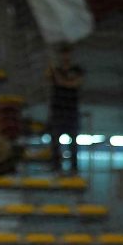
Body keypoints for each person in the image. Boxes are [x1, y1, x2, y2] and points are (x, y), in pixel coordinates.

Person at [47, 46, 84, 174]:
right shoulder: (55, 70)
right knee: (55, 140)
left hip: (71, 110)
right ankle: (56, 167)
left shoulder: (77, 70)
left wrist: (60, 78)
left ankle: (74, 168)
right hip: (57, 110)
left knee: (73, 141)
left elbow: (74, 83)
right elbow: (50, 79)